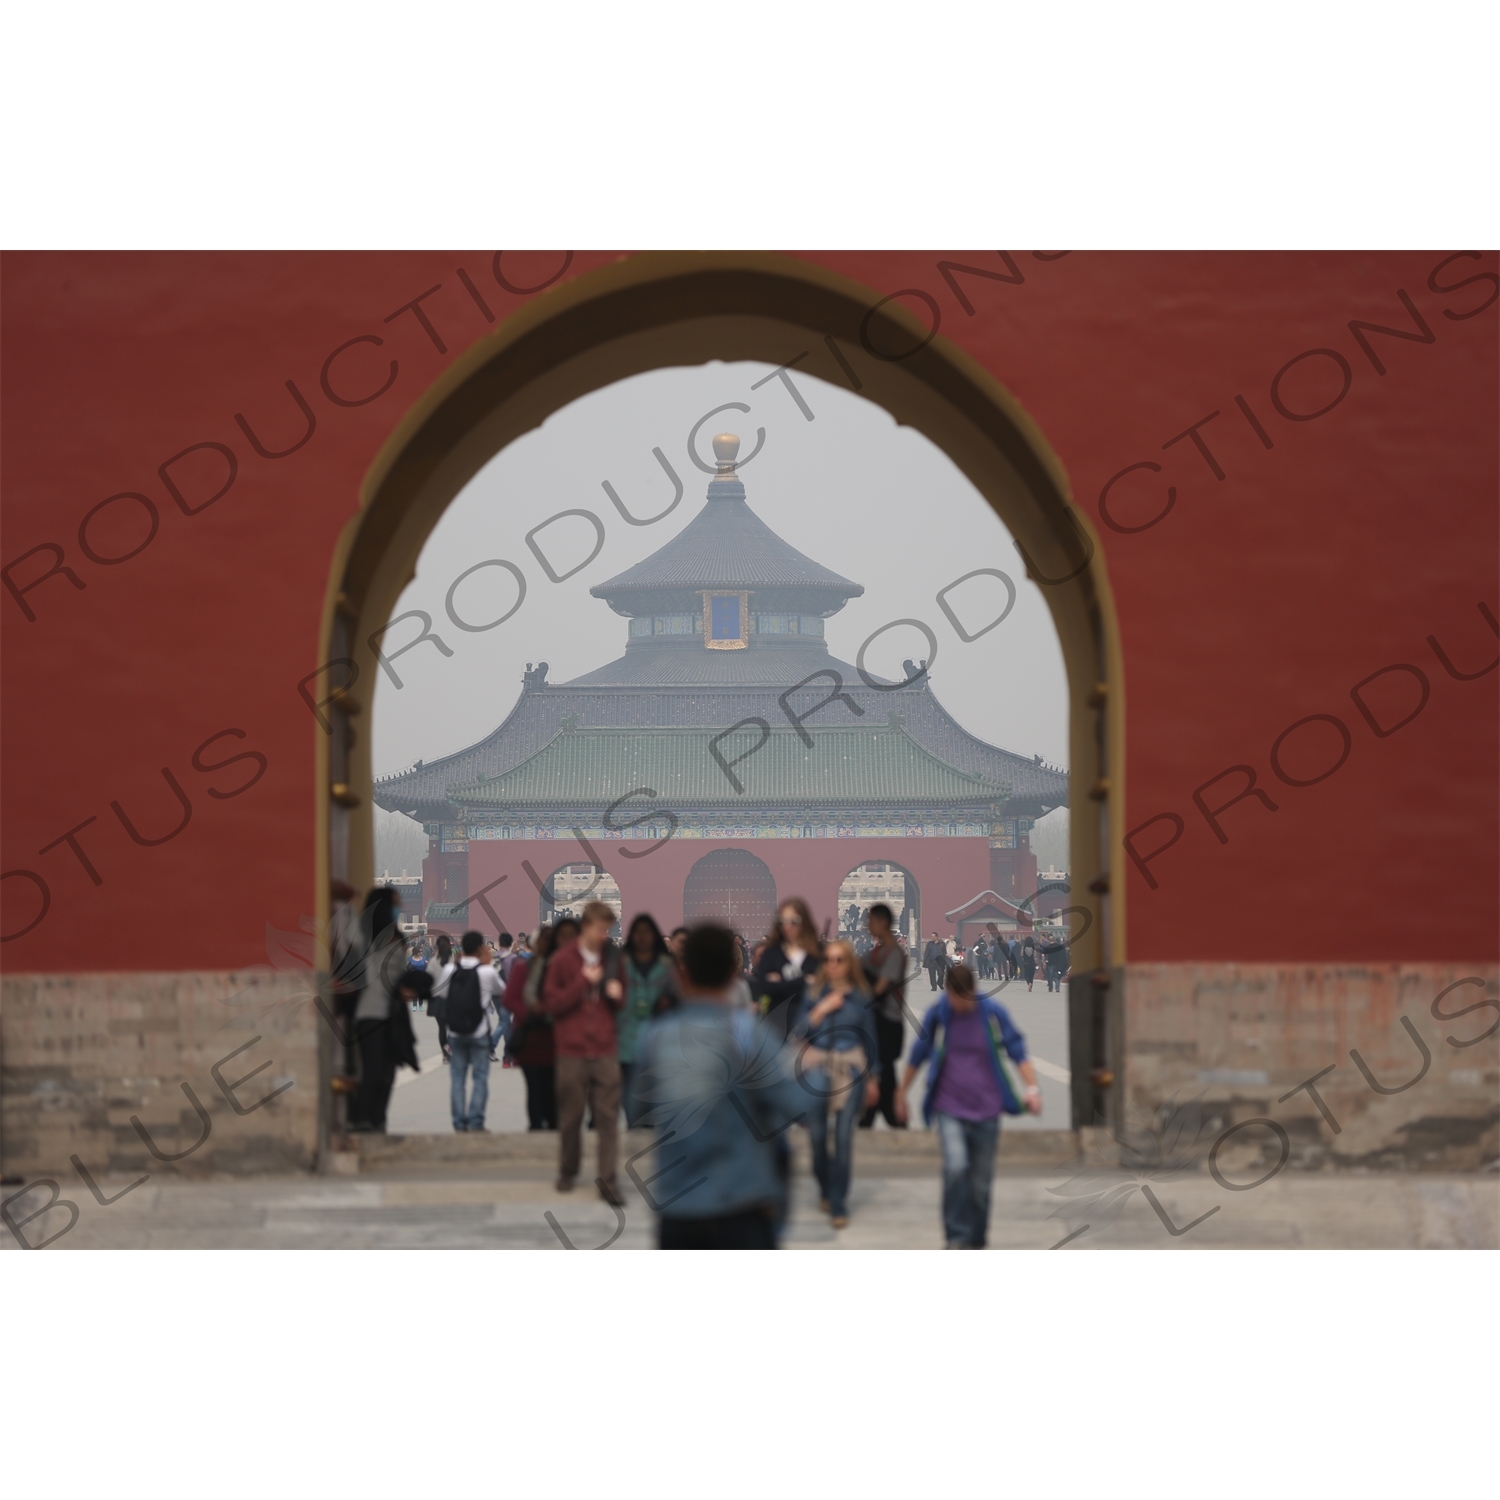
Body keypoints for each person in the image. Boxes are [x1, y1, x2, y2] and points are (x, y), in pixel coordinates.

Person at [630, 923, 808, 1249]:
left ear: (682, 974)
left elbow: (636, 1109)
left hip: (677, 1208)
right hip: (742, 1203)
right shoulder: (749, 1035)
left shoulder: (655, 1036)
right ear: (732, 974)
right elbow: (799, 1105)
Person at [896, 963, 1041, 1248]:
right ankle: (956, 1236)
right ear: (948, 992)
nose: (960, 1004)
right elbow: (919, 1052)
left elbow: (1016, 1049)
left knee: (980, 1184)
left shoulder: (992, 1013)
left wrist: (1032, 1088)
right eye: (955, 998)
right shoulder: (940, 1012)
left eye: (965, 998)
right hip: (949, 1106)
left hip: (987, 1109)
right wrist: (901, 1092)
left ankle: (976, 1240)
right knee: (956, 1166)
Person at [540, 901, 626, 1205]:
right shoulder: (563, 961)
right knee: (571, 1117)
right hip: (572, 1051)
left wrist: (617, 996)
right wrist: (582, 983)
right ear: (586, 926)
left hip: (603, 1049)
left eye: (608, 930)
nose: (605, 935)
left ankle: (608, 1179)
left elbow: (620, 999)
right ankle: (568, 1170)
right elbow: (552, 1004)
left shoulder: (613, 959)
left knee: (607, 1119)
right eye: (601, 929)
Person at [793, 938, 880, 1229]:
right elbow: (798, 1032)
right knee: (817, 1138)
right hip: (817, 1066)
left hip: (851, 1066)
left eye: (839, 959)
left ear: (849, 963)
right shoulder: (812, 994)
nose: (833, 965)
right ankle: (825, 1187)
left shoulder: (861, 997)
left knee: (843, 1138)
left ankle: (838, 1202)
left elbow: (871, 1040)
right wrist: (822, 1009)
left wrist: (874, 1079)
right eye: (828, 959)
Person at [432, 930, 508, 1132]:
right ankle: (476, 1122)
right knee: (480, 1077)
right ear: (479, 949)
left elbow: (440, 993)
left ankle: (459, 1123)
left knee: (457, 1078)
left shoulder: (450, 970)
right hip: (480, 1031)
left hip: (455, 1032)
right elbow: (502, 991)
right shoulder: (487, 971)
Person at [348, 966, 430, 1132]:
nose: (412, 998)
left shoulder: (395, 997)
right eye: (413, 994)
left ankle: (378, 1119)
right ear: (407, 987)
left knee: (386, 1075)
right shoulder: (384, 991)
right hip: (371, 1023)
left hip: (379, 1023)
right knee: (374, 1073)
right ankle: (362, 1119)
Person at [617, 914, 678, 1126]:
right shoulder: (619, 965)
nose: (642, 937)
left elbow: (679, 999)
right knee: (630, 1098)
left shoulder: (668, 966)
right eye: (638, 932)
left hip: (659, 1040)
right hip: (624, 1040)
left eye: (647, 932)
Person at [859, 903, 908, 1130]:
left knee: (884, 1071)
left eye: (871, 921)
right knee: (880, 1073)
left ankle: (879, 1119)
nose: (868, 925)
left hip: (888, 1022)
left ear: (883, 922)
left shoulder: (895, 954)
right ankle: (880, 1118)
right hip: (873, 1023)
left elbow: (879, 989)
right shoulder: (873, 954)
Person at [753, 898, 821, 1041]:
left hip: (811, 1028)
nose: (787, 926)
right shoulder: (771, 953)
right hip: (778, 1027)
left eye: (793, 921)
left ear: (804, 922)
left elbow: (822, 988)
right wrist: (804, 980)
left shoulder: (817, 953)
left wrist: (781, 982)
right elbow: (763, 987)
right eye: (782, 921)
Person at [431, 933, 455, 1060]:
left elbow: (428, 980)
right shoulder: (454, 961)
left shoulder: (433, 962)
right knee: (451, 1028)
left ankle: (445, 1054)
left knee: (441, 1028)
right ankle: (450, 1051)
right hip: (451, 999)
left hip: (437, 999)